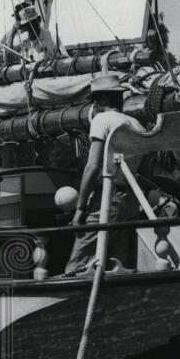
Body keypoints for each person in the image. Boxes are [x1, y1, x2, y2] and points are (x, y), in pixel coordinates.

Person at [64, 75, 145, 276]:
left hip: (107, 200)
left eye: (95, 101)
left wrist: (80, 208)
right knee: (117, 266)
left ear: (103, 100)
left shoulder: (102, 120)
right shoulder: (136, 124)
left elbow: (92, 167)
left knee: (79, 266)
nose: (95, 106)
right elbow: (146, 172)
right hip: (131, 202)